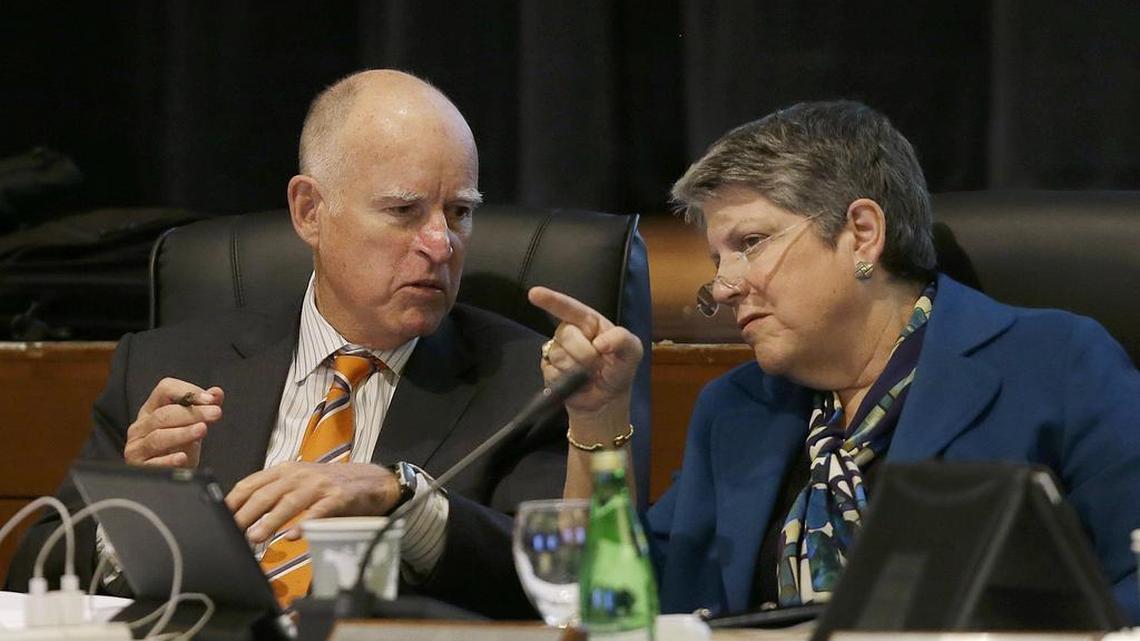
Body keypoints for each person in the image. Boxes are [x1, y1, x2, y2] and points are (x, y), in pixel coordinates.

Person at [531, 100, 1140, 622]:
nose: (722, 286)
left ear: (863, 232)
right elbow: (619, 605)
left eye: (750, 243)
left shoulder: (1055, 367)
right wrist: (598, 416)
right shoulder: (737, 409)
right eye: (718, 258)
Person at [7, 69, 565, 619]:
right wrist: (137, 513)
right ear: (309, 211)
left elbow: (555, 588)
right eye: (404, 211)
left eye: (460, 212)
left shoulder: (526, 383)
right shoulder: (167, 367)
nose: (440, 244)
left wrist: (402, 500)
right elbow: (34, 576)